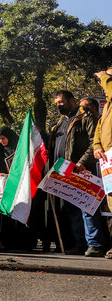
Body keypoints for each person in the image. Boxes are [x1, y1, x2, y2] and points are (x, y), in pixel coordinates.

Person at [49, 90, 107, 257]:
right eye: (56, 104)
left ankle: (95, 244)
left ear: (71, 101)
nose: (58, 106)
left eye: (61, 102)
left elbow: (94, 142)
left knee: (87, 208)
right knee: (72, 211)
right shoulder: (60, 122)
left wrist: (82, 161)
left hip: (82, 171)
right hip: (64, 172)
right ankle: (80, 244)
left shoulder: (86, 118)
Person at [92, 68, 112, 259]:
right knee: (111, 202)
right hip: (108, 161)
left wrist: (104, 75)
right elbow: (99, 129)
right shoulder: (107, 107)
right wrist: (97, 146)